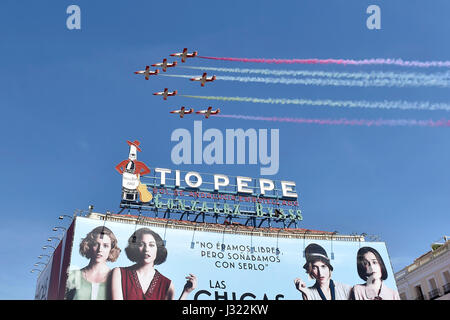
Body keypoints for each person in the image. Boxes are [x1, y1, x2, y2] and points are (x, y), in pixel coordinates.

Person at [111, 227, 197, 300]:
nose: (146, 249)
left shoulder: (167, 284)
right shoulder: (119, 273)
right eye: (142, 244)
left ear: (158, 249)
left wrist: (186, 292)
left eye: (151, 245)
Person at [65, 226, 121, 300]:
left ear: (111, 249)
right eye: (96, 244)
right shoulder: (74, 276)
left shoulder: (116, 278)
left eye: (105, 246)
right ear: (89, 245)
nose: (100, 249)